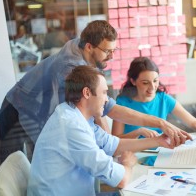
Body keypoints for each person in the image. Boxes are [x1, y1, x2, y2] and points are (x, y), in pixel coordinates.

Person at [0, 20, 190, 162]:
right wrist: (159, 122)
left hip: (38, 107)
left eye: (114, 51)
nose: (112, 56)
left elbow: (100, 107)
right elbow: (107, 108)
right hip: (19, 109)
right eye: (108, 51)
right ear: (90, 46)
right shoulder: (71, 67)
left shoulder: (83, 47)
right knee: (22, 168)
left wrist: (110, 143)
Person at [27, 66, 174, 196]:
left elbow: (113, 145)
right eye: (104, 93)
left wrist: (158, 141)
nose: (106, 100)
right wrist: (128, 164)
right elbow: (120, 180)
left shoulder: (76, 115)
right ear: (87, 93)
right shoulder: (71, 126)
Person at [112, 57, 196, 140]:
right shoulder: (122, 103)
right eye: (145, 83)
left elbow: (194, 123)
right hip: (134, 157)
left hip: (160, 153)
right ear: (133, 81)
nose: (152, 87)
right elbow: (115, 141)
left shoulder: (164, 99)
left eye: (155, 81)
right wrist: (138, 132)